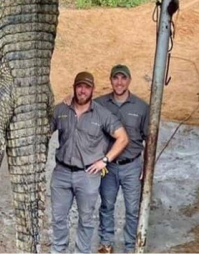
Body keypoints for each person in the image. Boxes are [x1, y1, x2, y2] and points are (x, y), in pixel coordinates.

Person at [51, 71, 129, 254]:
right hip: (61, 172)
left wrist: (105, 160)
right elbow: (45, 129)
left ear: (92, 90)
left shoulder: (101, 114)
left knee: (85, 220)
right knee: (58, 218)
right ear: (74, 88)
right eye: (79, 86)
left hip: (87, 175)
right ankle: (58, 251)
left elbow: (123, 138)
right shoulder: (61, 110)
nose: (82, 91)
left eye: (86, 87)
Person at [96, 65, 149, 254]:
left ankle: (130, 246)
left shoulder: (142, 107)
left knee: (132, 209)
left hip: (132, 165)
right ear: (111, 80)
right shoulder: (100, 104)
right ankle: (106, 243)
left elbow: (149, 138)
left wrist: (146, 166)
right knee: (107, 205)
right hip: (108, 165)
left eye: (123, 78)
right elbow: (81, 107)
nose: (119, 82)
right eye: (115, 78)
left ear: (129, 80)